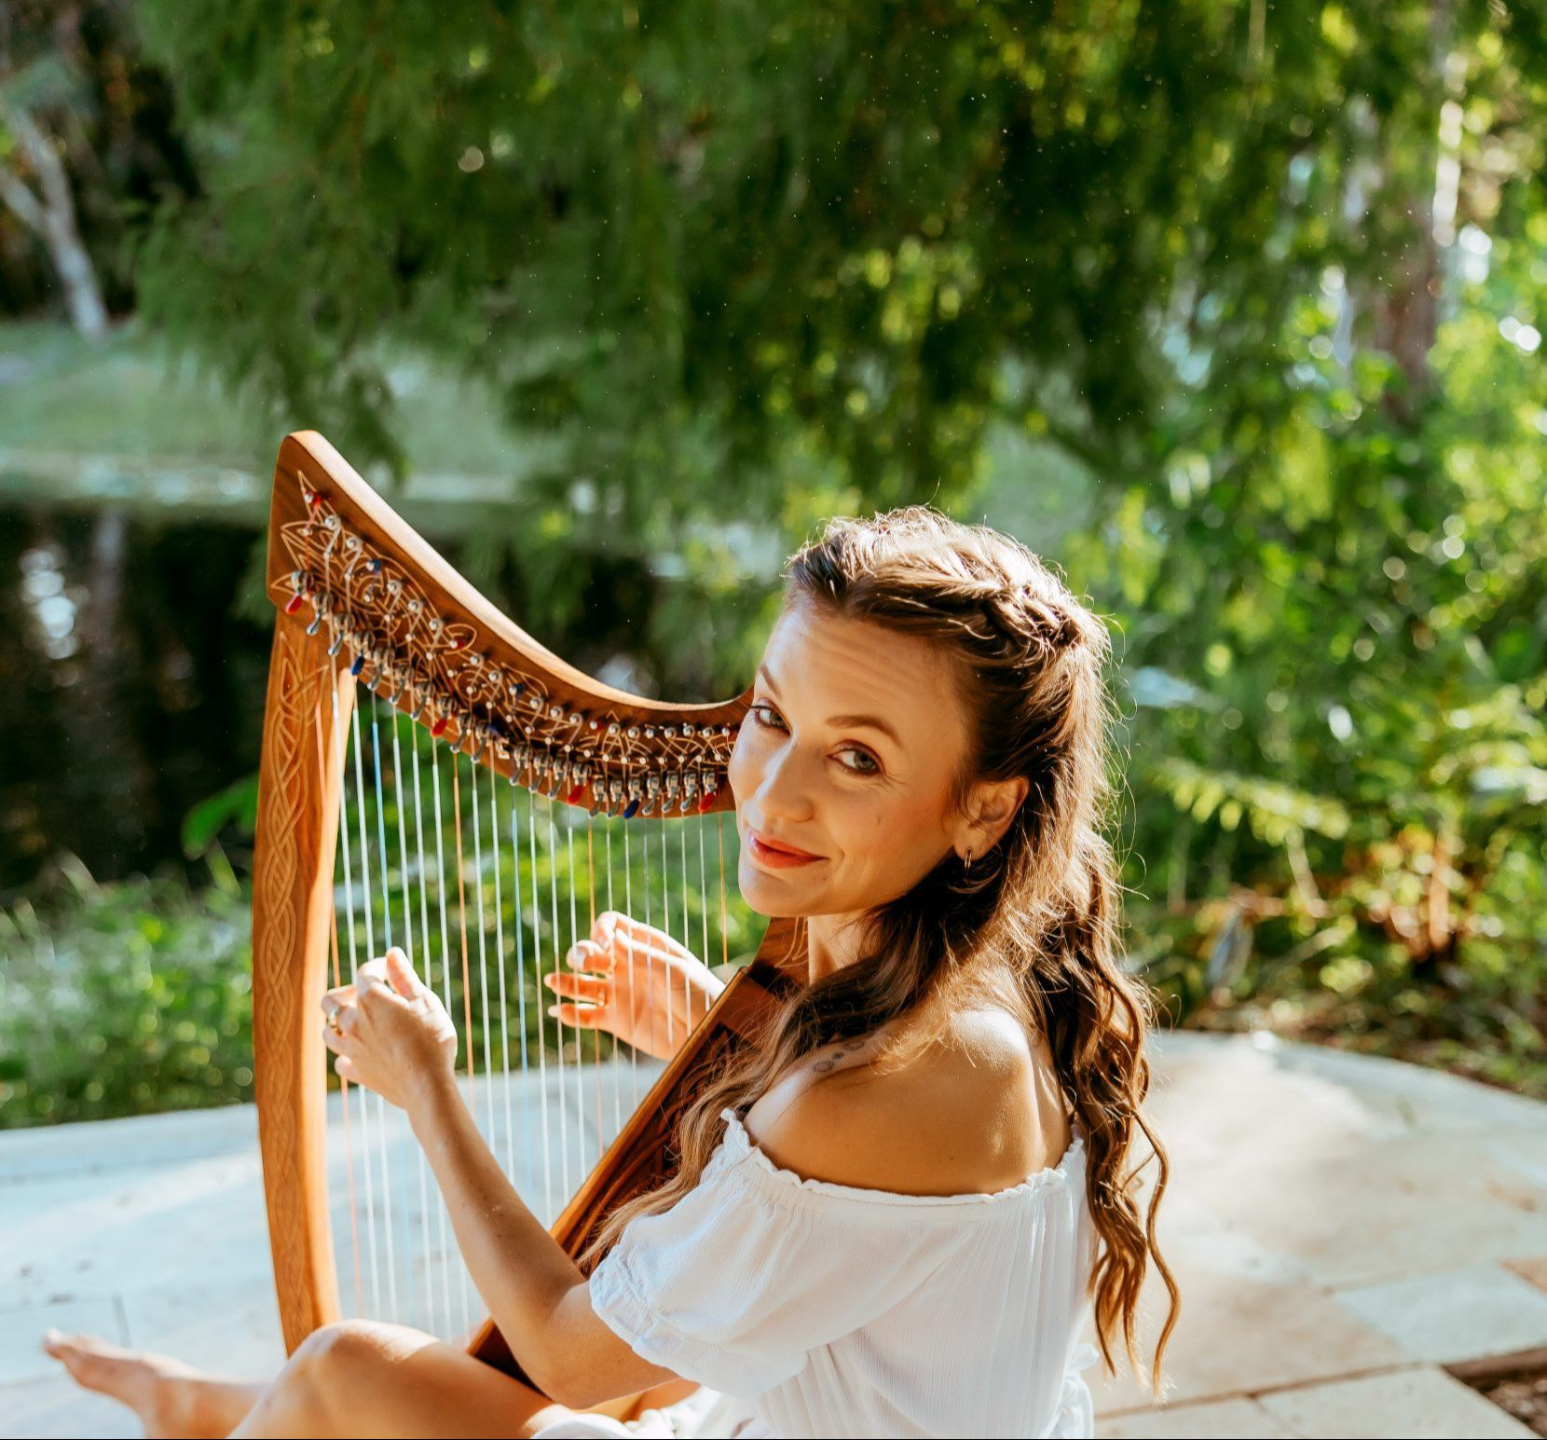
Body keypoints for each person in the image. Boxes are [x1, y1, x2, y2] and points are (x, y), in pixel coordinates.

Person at [43, 506, 1180, 1438]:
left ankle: (241, 1414)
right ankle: (214, 1410)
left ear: (984, 809)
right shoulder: (1001, 980)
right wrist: (700, 1022)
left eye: (856, 757)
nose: (773, 793)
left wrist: (425, 1087)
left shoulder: (880, 1086)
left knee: (349, 1369)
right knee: (625, 1368)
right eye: (771, 715)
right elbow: (873, 1211)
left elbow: (569, 1356)